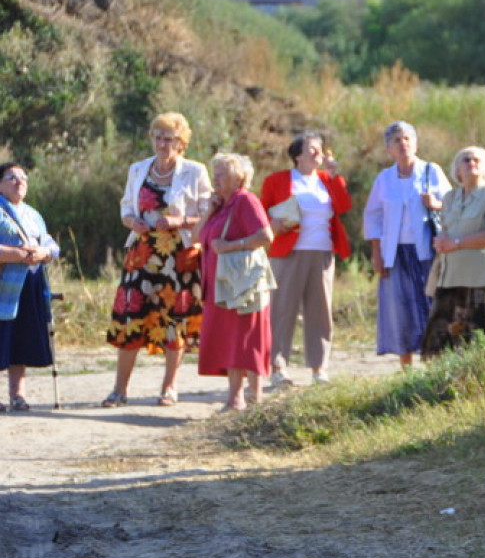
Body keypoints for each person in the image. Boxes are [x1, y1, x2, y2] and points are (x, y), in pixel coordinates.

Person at [104, 112, 212, 407]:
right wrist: (132, 222)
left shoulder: (195, 171)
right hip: (141, 254)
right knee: (131, 317)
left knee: (174, 319)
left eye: (169, 139)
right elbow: (126, 207)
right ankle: (119, 390)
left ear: (181, 142)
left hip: (179, 256)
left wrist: (180, 221)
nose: (162, 144)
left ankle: (169, 387)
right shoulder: (138, 169)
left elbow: (209, 213)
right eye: (158, 137)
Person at [259, 132, 352, 387]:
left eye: (320, 148)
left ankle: (319, 368)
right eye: (312, 148)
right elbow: (261, 212)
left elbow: (344, 207)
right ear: (298, 155)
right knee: (282, 310)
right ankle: (278, 367)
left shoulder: (327, 179)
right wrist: (272, 224)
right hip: (288, 252)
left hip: (322, 252)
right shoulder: (277, 180)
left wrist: (335, 176)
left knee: (320, 312)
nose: (318, 152)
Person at [363, 121, 451, 368]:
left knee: (430, 306)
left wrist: (436, 204)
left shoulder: (431, 171)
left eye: (407, 139)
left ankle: (434, 365)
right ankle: (406, 368)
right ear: (388, 149)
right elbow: (373, 216)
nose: (403, 144)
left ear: (415, 144)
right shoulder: (384, 179)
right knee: (400, 310)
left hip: (427, 252)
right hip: (394, 253)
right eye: (396, 140)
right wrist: (377, 253)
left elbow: (453, 204)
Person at [198, 153, 274, 412]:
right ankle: (235, 398)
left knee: (247, 338)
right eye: (215, 173)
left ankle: (253, 399)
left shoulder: (245, 200)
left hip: (242, 285)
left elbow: (265, 236)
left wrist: (231, 246)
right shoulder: (222, 205)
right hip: (221, 284)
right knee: (230, 338)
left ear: (238, 178)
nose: (216, 178)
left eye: (222, 174)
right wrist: (210, 210)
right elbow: (197, 237)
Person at [421, 146, 485, 357]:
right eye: (466, 160)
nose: (472, 163)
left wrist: (456, 243)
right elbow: (445, 231)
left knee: (481, 343)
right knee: (439, 344)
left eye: (477, 160)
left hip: (481, 279)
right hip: (450, 279)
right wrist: (441, 243)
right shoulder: (450, 198)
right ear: (457, 169)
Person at [0, 163, 59, 412]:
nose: (19, 181)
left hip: (29, 285)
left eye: (23, 177)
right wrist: (18, 254)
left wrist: (44, 252)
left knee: (20, 339)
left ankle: (18, 395)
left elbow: (51, 245)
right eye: (11, 177)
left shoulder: (33, 214)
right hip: (3, 286)